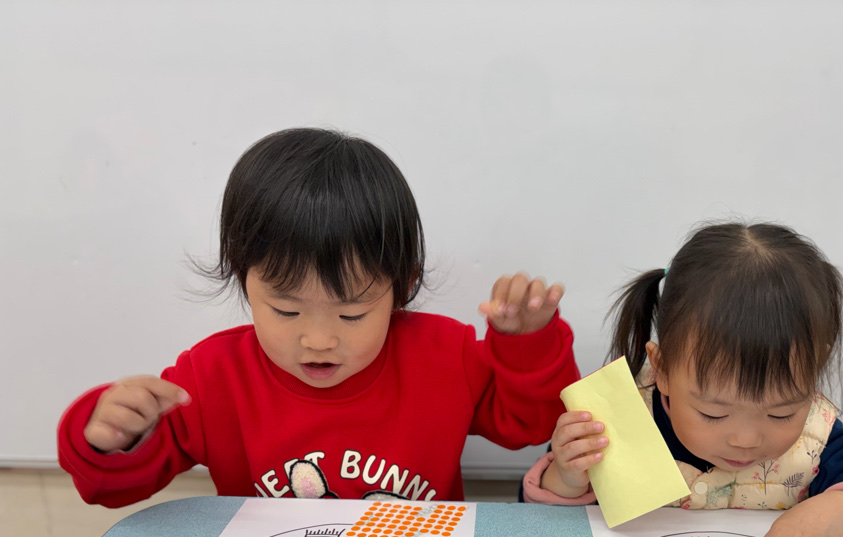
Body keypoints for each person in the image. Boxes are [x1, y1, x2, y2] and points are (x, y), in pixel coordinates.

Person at [58, 127, 579, 507]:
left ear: (403, 287)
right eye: (286, 309)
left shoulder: (444, 356)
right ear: (243, 279)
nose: (318, 339)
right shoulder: (212, 376)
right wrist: (110, 434)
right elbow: (110, 488)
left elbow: (533, 426)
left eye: (352, 314)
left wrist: (526, 344)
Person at [523, 221, 843, 537]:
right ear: (662, 369)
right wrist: (568, 477)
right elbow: (538, 531)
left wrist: (838, 515)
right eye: (713, 413)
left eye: (781, 413)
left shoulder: (816, 441)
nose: (745, 439)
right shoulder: (621, 421)